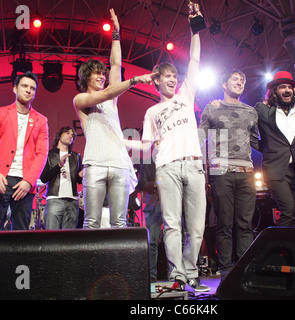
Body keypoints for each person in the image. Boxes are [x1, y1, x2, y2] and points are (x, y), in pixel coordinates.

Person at [125, 17, 209, 292]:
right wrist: (123, 142)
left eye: (175, 75)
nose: (173, 79)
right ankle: (179, 276)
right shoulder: (151, 112)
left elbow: (195, 62)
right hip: (167, 168)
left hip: (194, 166)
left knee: (196, 226)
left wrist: (195, 31)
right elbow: (147, 145)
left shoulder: (186, 95)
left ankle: (192, 272)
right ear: (156, 82)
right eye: (167, 76)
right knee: (171, 224)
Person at [73, 9, 154, 229]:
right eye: (96, 73)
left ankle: (118, 264)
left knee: (120, 222)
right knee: (91, 222)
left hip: (118, 165)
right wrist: (136, 80)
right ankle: (91, 265)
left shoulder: (111, 99)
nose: (102, 76)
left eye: (103, 73)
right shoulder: (81, 99)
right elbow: (108, 92)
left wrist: (116, 35)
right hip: (96, 164)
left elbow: (116, 66)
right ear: (85, 77)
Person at [198, 69, 259, 278]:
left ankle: (244, 269)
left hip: (247, 171)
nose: (240, 82)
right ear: (224, 84)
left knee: (245, 223)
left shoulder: (251, 111)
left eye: (242, 79)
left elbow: (257, 141)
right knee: (224, 223)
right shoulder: (212, 108)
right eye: (235, 79)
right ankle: (226, 270)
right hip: (220, 171)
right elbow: (200, 137)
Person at [0, 71, 49, 231]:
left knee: (20, 233)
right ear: (15, 88)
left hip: (24, 183)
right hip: (0, 180)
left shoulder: (41, 120)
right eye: (24, 86)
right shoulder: (1, 113)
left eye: (32, 88)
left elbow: (42, 153)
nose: (28, 90)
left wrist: (29, 181)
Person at [254, 71, 295, 227]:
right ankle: (277, 248)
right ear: (274, 91)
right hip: (276, 170)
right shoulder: (262, 109)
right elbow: (247, 129)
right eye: (282, 87)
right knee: (288, 212)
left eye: (290, 87)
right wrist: (265, 148)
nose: (287, 90)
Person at [40, 126, 83, 229]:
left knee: (69, 240)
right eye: (67, 133)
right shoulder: (49, 154)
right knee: (52, 237)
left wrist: (81, 175)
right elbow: (43, 178)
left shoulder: (76, 156)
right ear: (59, 135)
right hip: (55, 199)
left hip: (72, 201)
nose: (70, 136)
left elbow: (78, 180)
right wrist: (59, 165)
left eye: (72, 135)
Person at [136, 159, 163, 282]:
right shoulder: (147, 162)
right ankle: (152, 274)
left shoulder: (172, 157)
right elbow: (141, 184)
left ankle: (177, 273)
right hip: (153, 204)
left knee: (176, 239)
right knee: (151, 241)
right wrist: (157, 183)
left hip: (172, 202)